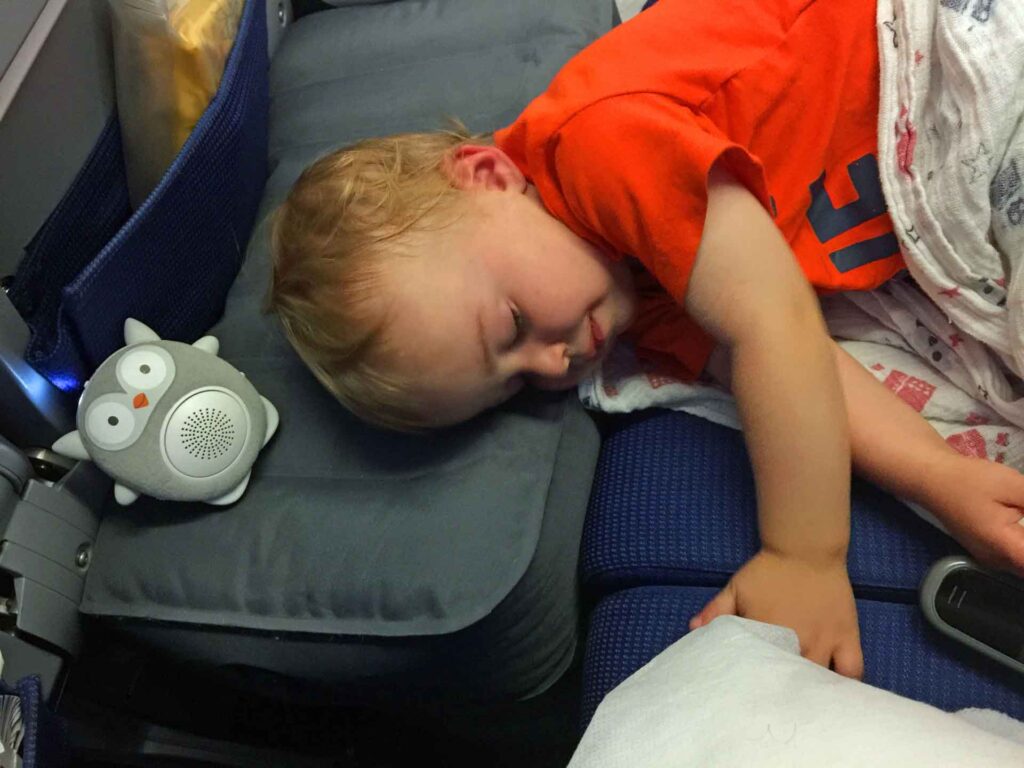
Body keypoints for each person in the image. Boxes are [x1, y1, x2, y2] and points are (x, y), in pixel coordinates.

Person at [266, 0, 1024, 677]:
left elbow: (776, 326)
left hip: (921, 55)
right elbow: (801, 368)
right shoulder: (633, 300)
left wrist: (804, 554)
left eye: (515, 325)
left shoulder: (600, 147)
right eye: (516, 380)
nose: (553, 360)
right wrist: (938, 475)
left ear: (489, 174)